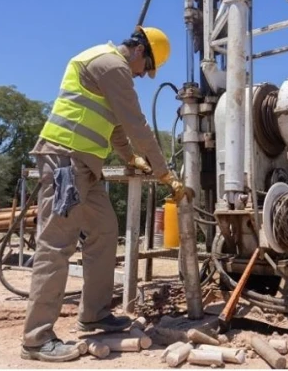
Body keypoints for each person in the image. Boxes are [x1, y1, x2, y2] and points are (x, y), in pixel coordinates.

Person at [21, 25, 191, 362]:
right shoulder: (111, 65)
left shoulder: (111, 69)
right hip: (65, 161)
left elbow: (115, 128)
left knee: (104, 231)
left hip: (86, 167)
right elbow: (135, 124)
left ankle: (95, 313)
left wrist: (132, 159)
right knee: (57, 244)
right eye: (148, 69)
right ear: (141, 52)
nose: (144, 76)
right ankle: (36, 340)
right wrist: (165, 174)